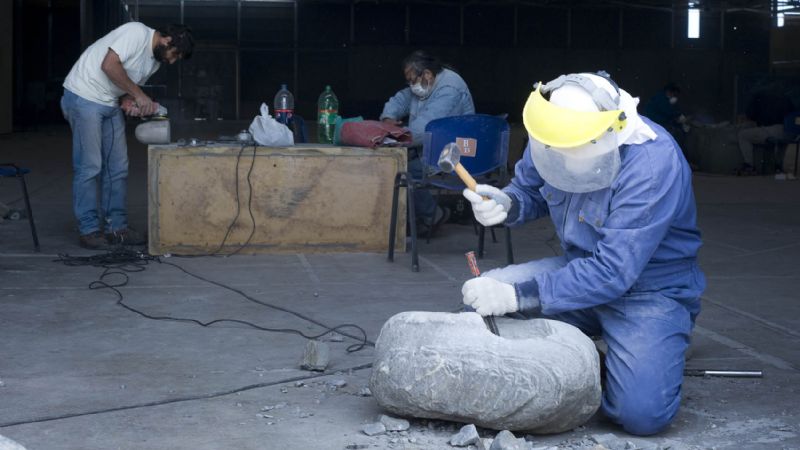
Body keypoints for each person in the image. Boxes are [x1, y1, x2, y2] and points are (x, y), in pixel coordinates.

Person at [460, 72, 706, 436]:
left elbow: (613, 272)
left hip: (649, 289)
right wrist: (507, 203)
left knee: (642, 414)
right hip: (579, 273)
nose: (559, 155)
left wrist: (518, 296)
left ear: (605, 134)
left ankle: (636, 359)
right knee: (481, 301)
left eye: (570, 150)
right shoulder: (553, 131)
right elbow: (531, 189)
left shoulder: (652, 164)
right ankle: (595, 359)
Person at [61, 22, 194, 249]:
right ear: (167, 40)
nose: (172, 61)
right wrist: (139, 95)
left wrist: (131, 102)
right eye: (175, 55)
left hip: (108, 103)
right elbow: (109, 66)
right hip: (84, 96)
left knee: (119, 167)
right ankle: (89, 230)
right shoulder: (136, 32)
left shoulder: (154, 63)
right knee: (90, 166)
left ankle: (117, 227)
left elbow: (125, 91)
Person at [380, 50, 475, 233]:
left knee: (399, 166)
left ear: (427, 74)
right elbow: (401, 99)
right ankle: (423, 217)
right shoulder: (426, 84)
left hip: (455, 154)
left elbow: (424, 131)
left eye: (411, 80)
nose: (411, 85)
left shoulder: (450, 89)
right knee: (401, 164)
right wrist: (387, 119)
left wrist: (392, 137)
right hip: (437, 150)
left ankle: (432, 215)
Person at [737, 89, 795, 174]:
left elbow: (750, 115)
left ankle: (749, 165)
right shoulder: (785, 97)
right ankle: (778, 166)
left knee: (742, 135)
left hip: (771, 130)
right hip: (788, 131)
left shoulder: (758, 97)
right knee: (780, 141)